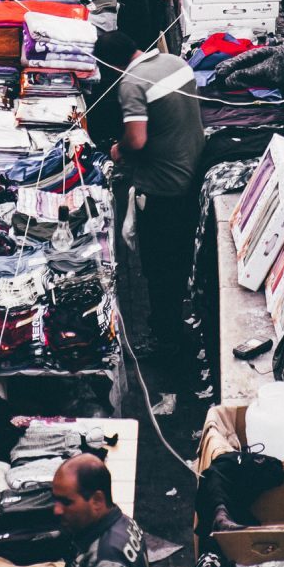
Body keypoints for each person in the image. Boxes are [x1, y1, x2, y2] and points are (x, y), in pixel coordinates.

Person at [97, 30, 206, 376]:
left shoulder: (131, 84)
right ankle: (176, 329)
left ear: (111, 64)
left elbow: (138, 139)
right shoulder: (176, 62)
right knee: (179, 262)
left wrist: (117, 150)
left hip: (162, 189)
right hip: (192, 176)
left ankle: (166, 341)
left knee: (158, 269)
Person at [55, 456, 148, 567]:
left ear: (97, 500)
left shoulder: (106, 563)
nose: (57, 510)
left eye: (67, 502)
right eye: (56, 500)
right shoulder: (124, 522)